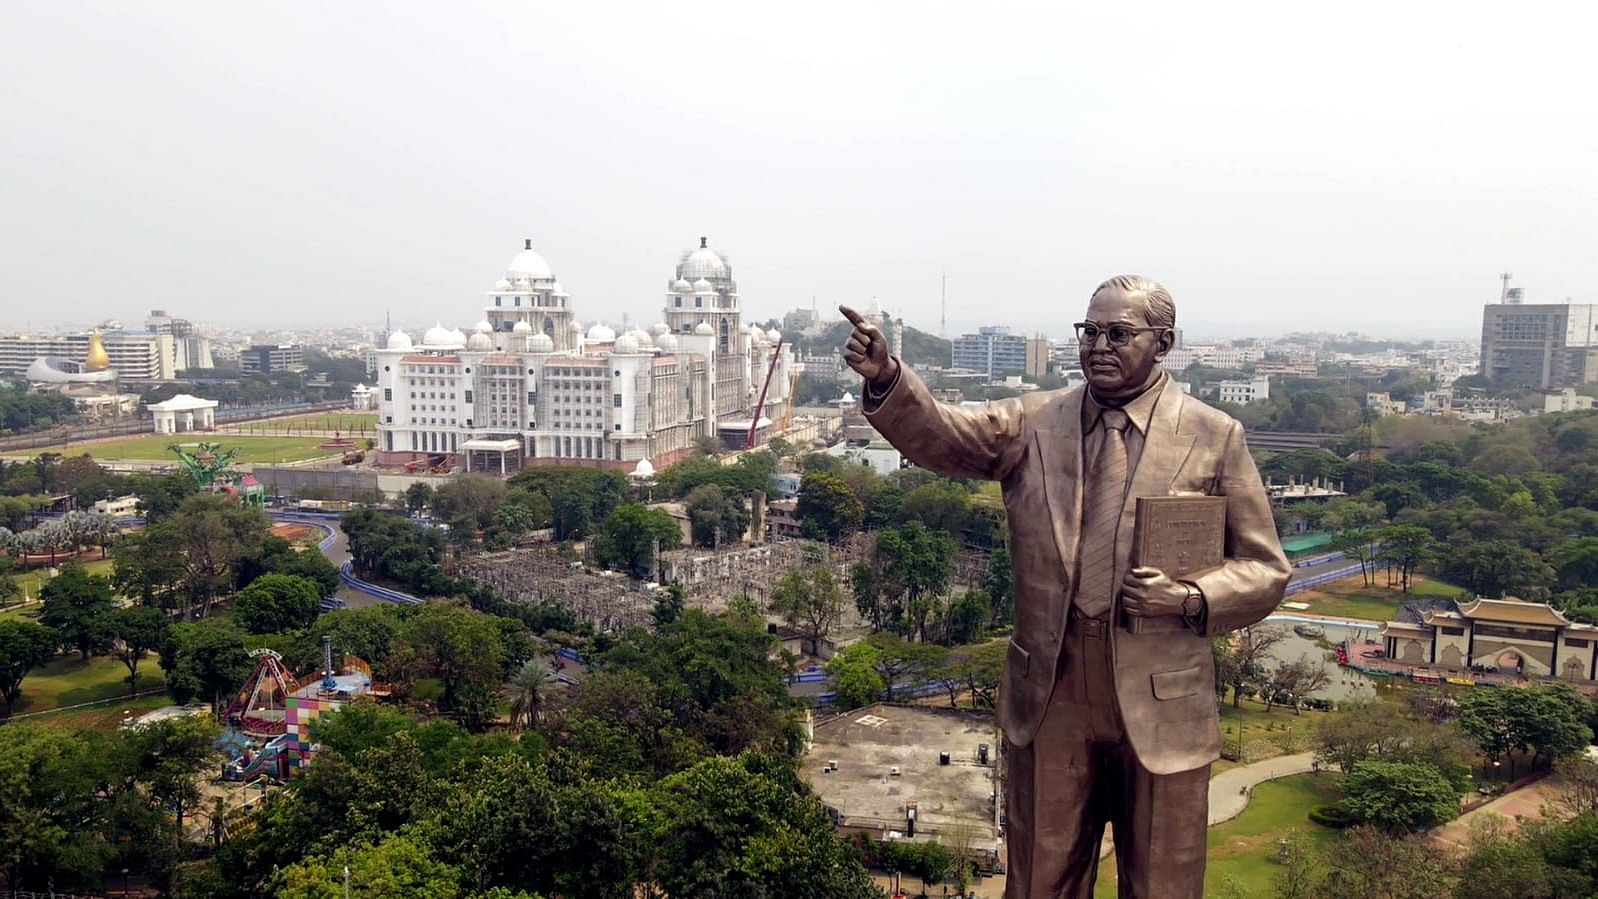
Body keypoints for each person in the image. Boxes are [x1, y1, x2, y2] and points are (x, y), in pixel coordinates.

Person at [841, 276, 1290, 898]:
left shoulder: (1214, 436)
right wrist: (889, 379)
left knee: (1162, 883)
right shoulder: (1034, 422)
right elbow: (945, 436)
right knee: (1041, 880)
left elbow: (1267, 569)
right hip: (1052, 690)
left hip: (1163, 697)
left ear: (1163, 343)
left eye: (1119, 334)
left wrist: (1189, 599)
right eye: (1089, 332)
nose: (1099, 346)